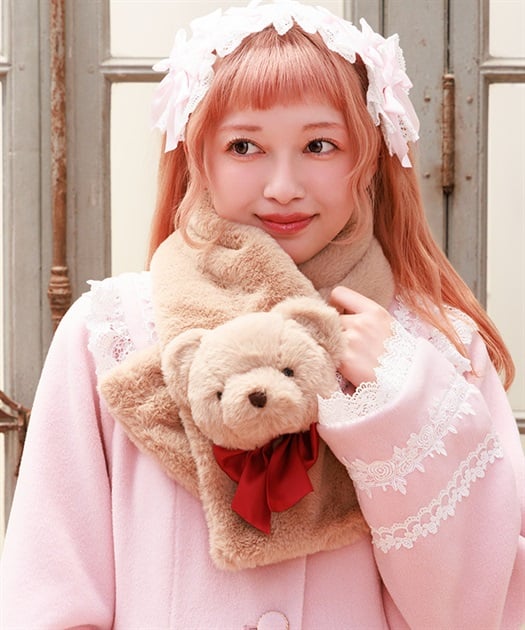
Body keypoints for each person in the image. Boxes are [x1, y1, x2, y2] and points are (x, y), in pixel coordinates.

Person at [1, 0, 524, 627]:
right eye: (244, 145)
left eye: (320, 145)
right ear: (199, 157)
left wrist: (401, 403)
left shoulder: (433, 346)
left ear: (368, 160)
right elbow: (48, 597)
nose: (282, 186)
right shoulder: (112, 332)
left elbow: (478, 610)